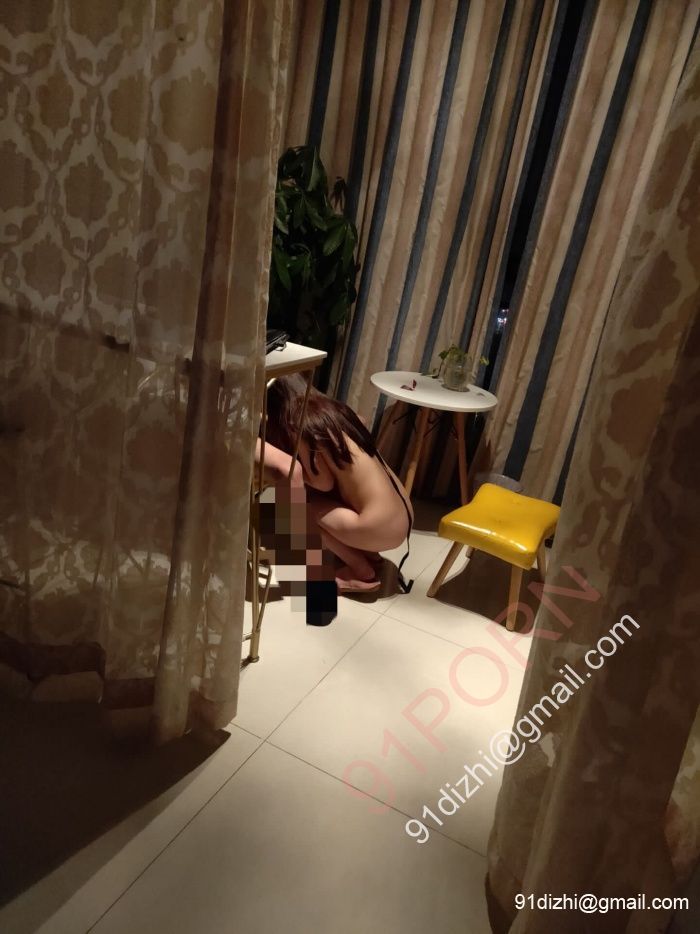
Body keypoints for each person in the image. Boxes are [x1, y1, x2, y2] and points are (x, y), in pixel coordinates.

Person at [265, 376, 413, 593]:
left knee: (300, 508)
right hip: (403, 514)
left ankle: (361, 570)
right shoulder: (328, 410)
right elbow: (362, 421)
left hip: (380, 527)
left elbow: (323, 483)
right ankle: (371, 555)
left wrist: (291, 470)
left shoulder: (296, 424)